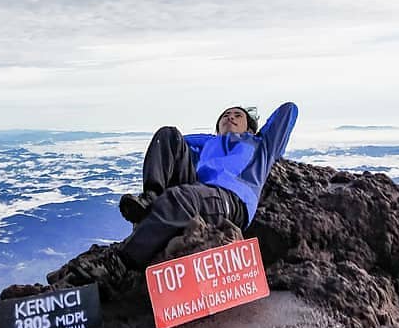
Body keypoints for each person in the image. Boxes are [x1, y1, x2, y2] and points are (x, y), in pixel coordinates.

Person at [116, 102, 299, 269]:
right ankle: (151, 197)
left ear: (250, 129)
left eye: (237, 115)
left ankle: (122, 263)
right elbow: (177, 141)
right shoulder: (209, 145)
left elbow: (289, 109)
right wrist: (214, 139)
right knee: (167, 134)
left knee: (181, 197)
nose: (231, 117)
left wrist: (256, 133)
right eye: (226, 115)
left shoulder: (262, 146)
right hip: (199, 192)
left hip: (232, 200)